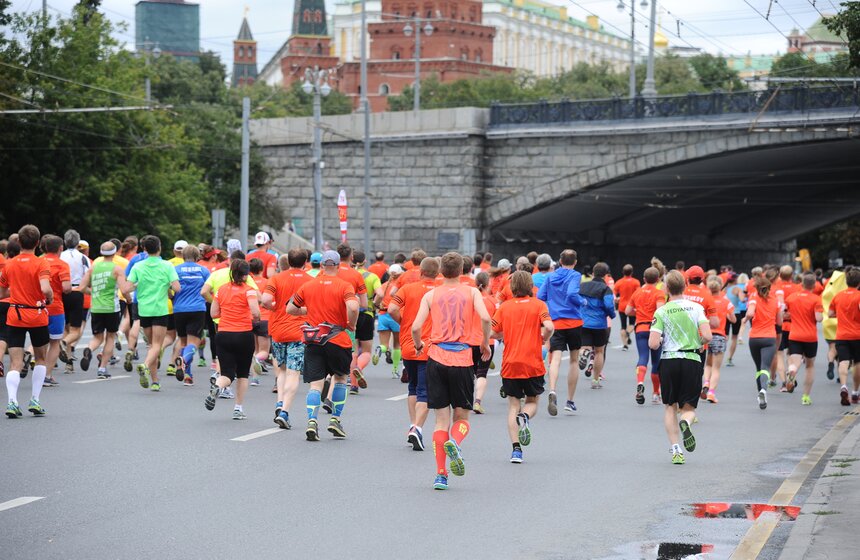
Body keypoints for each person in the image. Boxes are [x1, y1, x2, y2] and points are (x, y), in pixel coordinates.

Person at [411, 252, 492, 490]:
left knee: (440, 420)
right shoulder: (472, 292)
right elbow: (486, 318)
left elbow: (416, 327)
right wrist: (485, 343)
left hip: (436, 357)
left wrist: (418, 345)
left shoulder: (431, 294)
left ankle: (440, 474)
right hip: (462, 358)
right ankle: (455, 442)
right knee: (462, 416)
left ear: (440, 271)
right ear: (461, 270)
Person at [287, 250, 359, 441]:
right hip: (338, 338)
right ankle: (335, 419)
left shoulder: (308, 285)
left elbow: (290, 308)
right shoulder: (344, 286)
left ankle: (312, 421)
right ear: (337, 265)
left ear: (321, 266)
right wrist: (351, 323)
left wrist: (307, 310)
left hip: (314, 338)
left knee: (316, 384)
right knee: (341, 379)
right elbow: (353, 307)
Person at [649, 270, 712, 465]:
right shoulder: (696, 308)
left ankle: (676, 450)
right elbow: (708, 336)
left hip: (669, 360)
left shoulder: (662, 311)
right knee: (689, 408)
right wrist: (697, 339)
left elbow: (653, 344)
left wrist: (660, 340)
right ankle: (686, 422)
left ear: (667, 288)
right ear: (685, 287)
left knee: (670, 407)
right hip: (692, 359)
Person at [491, 271, 553, 464]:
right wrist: (543, 338)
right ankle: (525, 417)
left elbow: (492, 333)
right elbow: (549, 326)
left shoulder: (505, 307)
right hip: (532, 362)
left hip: (510, 363)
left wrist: (506, 335)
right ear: (530, 286)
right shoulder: (539, 305)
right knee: (532, 401)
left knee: (513, 405)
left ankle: (516, 451)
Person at [1, 225, 53, 418]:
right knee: (40, 358)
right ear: (38, 243)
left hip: (15, 314)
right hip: (37, 314)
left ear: (19, 242)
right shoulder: (41, 263)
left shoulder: (10, 264)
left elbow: (2, 292)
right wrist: (49, 297)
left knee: (15, 363)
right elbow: (45, 288)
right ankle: (35, 400)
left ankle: (12, 402)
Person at [389, 257, 441, 451]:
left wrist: (403, 321)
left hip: (409, 343)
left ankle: (413, 424)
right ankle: (418, 428)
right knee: (424, 391)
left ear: (420, 272)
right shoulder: (441, 291)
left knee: (412, 387)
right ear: (437, 274)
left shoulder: (408, 288)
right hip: (431, 346)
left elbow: (392, 308)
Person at [121, 236, 180, 392]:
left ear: (145, 249)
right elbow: (177, 287)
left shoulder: (138, 266)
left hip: (144, 311)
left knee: (150, 345)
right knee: (157, 345)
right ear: (159, 248)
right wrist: (167, 286)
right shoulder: (167, 266)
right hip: (160, 310)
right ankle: (145, 366)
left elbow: (126, 289)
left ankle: (155, 381)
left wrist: (138, 286)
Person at [204, 259, 261, 419]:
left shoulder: (221, 290)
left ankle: (218, 386)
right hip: (243, 334)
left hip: (223, 334)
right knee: (242, 373)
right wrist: (254, 318)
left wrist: (228, 313)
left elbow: (214, 313)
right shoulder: (249, 290)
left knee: (227, 373)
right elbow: (255, 312)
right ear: (246, 275)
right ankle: (238, 408)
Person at [262, 250, 312, 429]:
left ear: (288, 261)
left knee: (281, 370)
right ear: (305, 262)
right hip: (299, 332)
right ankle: (285, 411)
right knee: (293, 373)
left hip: (278, 330)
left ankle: (279, 403)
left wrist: (275, 307)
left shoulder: (276, 278)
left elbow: (266, 299)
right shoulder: (309, 280)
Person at [537, 249, 583, 415]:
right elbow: (572, 294)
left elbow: (541, 295)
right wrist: (581, 301)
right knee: (573, 360)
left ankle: (552, 390)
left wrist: (551, 306)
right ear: (575, 262)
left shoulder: (550, 276)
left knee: (555, 359)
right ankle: (570, 401)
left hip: (556, 322)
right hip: (574, 322)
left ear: (560, 261)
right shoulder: (575, 275)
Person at [78, 241, 126, 379]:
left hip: (96, 307)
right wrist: (133, 289)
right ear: (115, 252)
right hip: (111, 307)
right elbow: (124, 289)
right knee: (110, 337)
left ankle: (89, 349)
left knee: (97, 337)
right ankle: (102, 368)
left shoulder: (93, 268)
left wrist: (92, 292)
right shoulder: (117, 269)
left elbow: (81, 288)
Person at [626, 267, 667, 405]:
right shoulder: (659, 293)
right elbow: (660, 311)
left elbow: (627, 311)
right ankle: (656, 393)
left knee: (643, 357)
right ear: (658, 279)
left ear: (644, 279)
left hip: (640, 328)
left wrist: (638, 314)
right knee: (656, 362)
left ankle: (640, 382)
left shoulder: (637, 292)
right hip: (654, 329)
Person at [172, 245, 210, 385]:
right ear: (197, 256)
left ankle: (188, 374)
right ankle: (184, 363)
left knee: (183, 342)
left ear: (182, 256)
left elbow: (171, 289)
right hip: (197, 309)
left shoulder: (176, 270)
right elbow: (209, 289)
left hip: (179, 309)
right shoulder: (204, 270)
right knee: (194, 343)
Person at [785, 273, 823, 405]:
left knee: (795, 362)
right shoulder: (816, 299)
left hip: (794, 335)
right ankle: (805, 397)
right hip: (810, 337)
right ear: (813, 285)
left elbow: (785, 313)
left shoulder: (791, 298)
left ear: (801, 283)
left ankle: (792, 370)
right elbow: (819, 318)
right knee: (810, 366)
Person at [745, 276, 783, 410]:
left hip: (754, 338)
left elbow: (750, 313)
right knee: (765, 367)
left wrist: (746, 319)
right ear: (769, 287)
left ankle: (760, 395)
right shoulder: (775, 302)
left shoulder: (754, 298)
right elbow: (779, 322)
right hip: (769, 338)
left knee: (758, 368)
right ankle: (763, 391)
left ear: (756, 287)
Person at [578, 262, 616, 389]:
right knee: (599, 351)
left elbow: (575, 300)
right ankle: (595, 380)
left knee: (585, 346)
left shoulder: (583, 286)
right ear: (606, 275)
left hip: (584, 322)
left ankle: (584, 353)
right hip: (599, 324)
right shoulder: (606, 289)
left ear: (593, 273)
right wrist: (611, 314)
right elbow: (609, 305)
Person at [40, 235, 71, 387]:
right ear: (60, 248)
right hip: (56, 308)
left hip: (38, 307)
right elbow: (66, 288)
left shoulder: (39, 261)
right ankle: (47, 375)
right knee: (54, 342)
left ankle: (38, 373)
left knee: (40, 342)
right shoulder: (62, 264)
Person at [59, 229, 90, 371]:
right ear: (78, 243)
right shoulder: (82, 257)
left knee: (66, 327)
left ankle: (69, 362)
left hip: (61, 291)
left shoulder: (60, 256)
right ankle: (64, 343)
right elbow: (88, 274)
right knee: (75, 330)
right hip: (77, 292)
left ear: (65, 242)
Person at [701, 278, 735, 403]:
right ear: (720, 287)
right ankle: (711, 393)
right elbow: (733, 319)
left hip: (706, 335)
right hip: (720, 336)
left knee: (708, 364)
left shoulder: (706, 300)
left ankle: (705, 383)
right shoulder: (726, 301)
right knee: (716, 367)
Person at [829, 267, 860, 405]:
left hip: (841, 335)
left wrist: (840, 314)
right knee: (857, 363)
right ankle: (855, 392)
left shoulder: (838, 296)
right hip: (857, 335)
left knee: (843, 361)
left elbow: (830, 314)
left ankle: (843, 386)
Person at [471, 272, 497, 414]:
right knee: (482, 373)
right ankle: (477, 402)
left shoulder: (470, 299)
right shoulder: (493, 302)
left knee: (469, 372)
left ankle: (466, 399)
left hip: (469, 341)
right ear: (488, 284)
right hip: (487, 340)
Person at [373, 264, 404, 377]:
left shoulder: (384, 285)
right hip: (395, 315)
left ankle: (379, 349)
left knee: (384, 345)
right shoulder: (400, 287)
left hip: (383, 315)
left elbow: (376, 301)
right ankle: (395, 370)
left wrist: (377, 306)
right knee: (397, 345)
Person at [248, 258, 271, 385]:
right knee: (263, 352)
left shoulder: (248, 283)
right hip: (264, 318)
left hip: (250, 318)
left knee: (254, 349)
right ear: (262, 269)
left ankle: (255, 379)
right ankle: (257, 363)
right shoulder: (267, 282)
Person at [613, 264, 640, 351]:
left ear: (623, 272)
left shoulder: (619, 282)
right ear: (632, 272)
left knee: (623, 326)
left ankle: (625, 345)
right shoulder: (636, 282)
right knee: (632, 324)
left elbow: (613, 293)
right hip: (632, 306)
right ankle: (628, 333)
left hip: (622, 306)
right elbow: (638, 294)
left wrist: (616, 299)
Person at [725, 272, 746, 367]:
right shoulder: (737, 289)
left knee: (724, 337)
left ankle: (720, 354)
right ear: (734, 280)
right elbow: (742, 300)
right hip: (735, 313)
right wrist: (745, 296)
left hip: (725, 314)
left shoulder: (724, 289)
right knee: (734, 337)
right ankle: (729, 358)